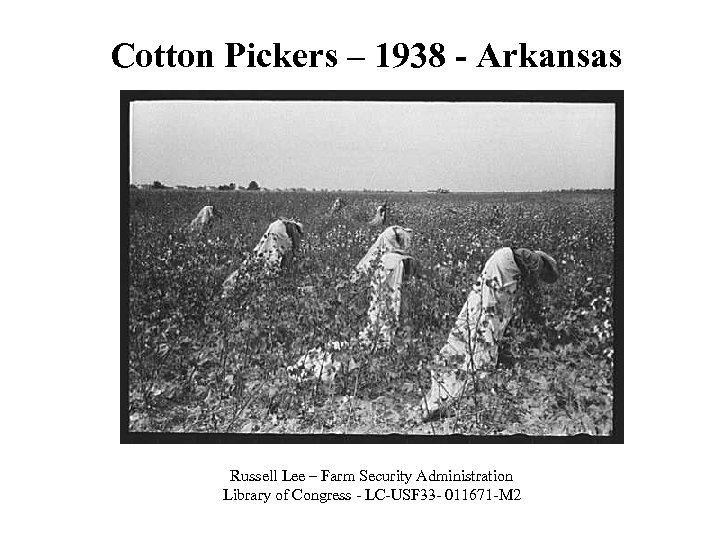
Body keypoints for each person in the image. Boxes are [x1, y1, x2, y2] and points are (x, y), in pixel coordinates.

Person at [422, 247, 559, 421]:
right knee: (485, 336)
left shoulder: (514, 264)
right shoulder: (532, 260)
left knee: (477, 319)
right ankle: (453, 400)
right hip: (501, 270)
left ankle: (446, 398)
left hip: (496, 271)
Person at [356, 226, 418, 345]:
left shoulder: (383, 259)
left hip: (382, 299)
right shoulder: (404, 260)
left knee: (379, 310)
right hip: (396, 299)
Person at [222, 218, 303, 296]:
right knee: (269, 262)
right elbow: (292, 248)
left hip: (273, 235)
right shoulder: (291, 228)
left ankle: (235, 284)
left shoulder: (282, 225)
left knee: (261, 256)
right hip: (276, 237)